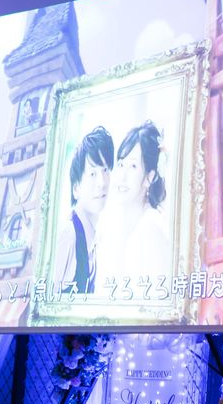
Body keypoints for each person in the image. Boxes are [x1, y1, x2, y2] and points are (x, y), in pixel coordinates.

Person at [96, 121, 169, 296]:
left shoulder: (151, 230)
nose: (122, 176)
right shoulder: (112, 227)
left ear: (150, 177)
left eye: (133, 166)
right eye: (121, 164)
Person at [53, 126, 114, 294]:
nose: (102, 182)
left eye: (105, 170)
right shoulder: (68, 235)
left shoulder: (94, 240)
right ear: (76, 188)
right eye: (93, 174)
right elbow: (45, 301)